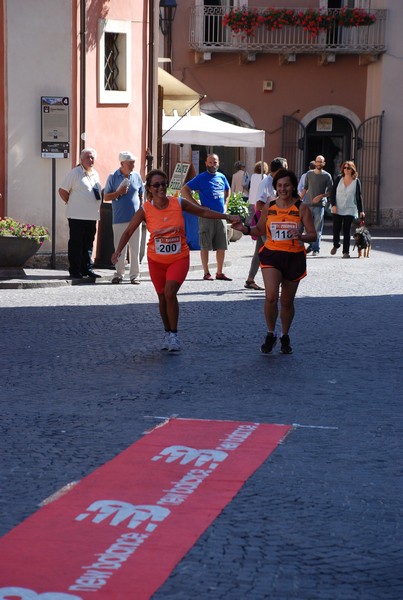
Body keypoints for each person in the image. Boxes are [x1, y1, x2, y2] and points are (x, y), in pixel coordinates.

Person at [111, 169, 240, 352]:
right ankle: (167, 333)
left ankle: (174, 335)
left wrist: (227, 217)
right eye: (156, 185)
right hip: (156, 260)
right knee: (162, 296)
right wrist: (118, 252)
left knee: (170, 292)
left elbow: (203, 212)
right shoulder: (145, 209)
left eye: (163, 184)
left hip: (178, 258)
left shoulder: (178, 203)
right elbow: (128, 231)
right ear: (149, 188)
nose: (161, 188)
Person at [232, 169, 317, 355]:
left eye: (286, 185)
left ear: (293, 186)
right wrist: (244, 228)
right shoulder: (269, 207)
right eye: (279, 186)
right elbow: (259, 229)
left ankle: (285, 335)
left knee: (286, 301)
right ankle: (270, 333)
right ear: (275, 187)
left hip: (294, 257)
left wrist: (301, 235)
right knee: (271, 296)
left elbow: (313, 235)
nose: (283, 189)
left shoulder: (301, 208)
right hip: (272, 255)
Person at [180, 154, 232, 281]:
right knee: (205, 245)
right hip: (206, 216)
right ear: (206, 163)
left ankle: (219, 272)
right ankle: (206, 272)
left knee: (221, 245)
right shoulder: (201, 177)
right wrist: (197, 205)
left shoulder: (222, 176)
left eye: (214, 162)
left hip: (220, 216)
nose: (212, 165)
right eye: (210, 162)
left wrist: (226, 203)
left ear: (218, 163)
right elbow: (184, 189)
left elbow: (228, 189)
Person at [58, 148, 102, 279]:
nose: (91, 160)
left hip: (92, 216)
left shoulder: (95, 174)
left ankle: (87, 269)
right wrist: (70, 202)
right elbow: (62, 190)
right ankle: (75, 270)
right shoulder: (75, 173)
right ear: (81, 159)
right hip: (77, 215)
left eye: (92, 157)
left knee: (88, 244)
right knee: (76, 244)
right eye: (88, 157)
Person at [104, 151, 144, 284]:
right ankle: (119, 274)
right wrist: (118, 193)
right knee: (119, 248)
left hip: (135, 219)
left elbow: (141, 194)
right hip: (119, 218)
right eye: (130, 162)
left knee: (135, 248)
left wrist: (142, 211)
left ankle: (135, 275)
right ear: (122, 163)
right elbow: (106, 197)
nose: (133, 164)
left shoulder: (137, 176)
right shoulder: (113, 177)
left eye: (133, 162)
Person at [329, 160, 365, 259]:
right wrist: (333, 205)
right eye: (344, 168)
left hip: (350, 208)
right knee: (336, 229)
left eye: (348, 168)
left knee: (346, 230)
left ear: (352, 169)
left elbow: (358, 197)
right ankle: (336, 244)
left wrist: (361, 210)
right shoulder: (338, 179)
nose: (346, 170)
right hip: (338, 207)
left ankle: (346, 252)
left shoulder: (356, 181)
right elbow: (332, 193)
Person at [300, 155, 333, 256]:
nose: (319, 163)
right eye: (317, 161)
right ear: (315, 162)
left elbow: (331, 192)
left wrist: (321, 196)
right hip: (307, 205)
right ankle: (309, 244)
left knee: (317, 229)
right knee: (306, 227)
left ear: (324, 163)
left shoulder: (327, 176)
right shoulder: (309, 174)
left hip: (320, 206)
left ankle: (316, 248)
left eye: (321, 162)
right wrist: (299, 200)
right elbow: (305, 188)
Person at [243, 161, 269, 291]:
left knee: (258, 251)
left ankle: (250, 279)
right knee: (270, 249)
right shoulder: (266, 179)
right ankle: (274, 279)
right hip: (263, 215)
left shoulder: (253, 177)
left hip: (255, 210)